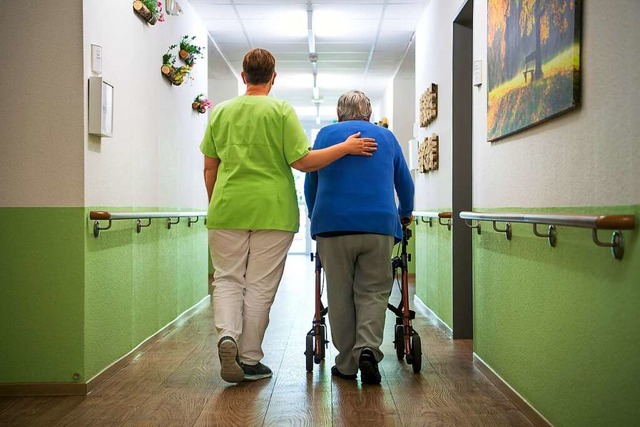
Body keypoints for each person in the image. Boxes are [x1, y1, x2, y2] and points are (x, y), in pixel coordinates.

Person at [200, 49, 377, 384]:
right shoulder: (280, 110)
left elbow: (210, 167)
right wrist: (345, 148)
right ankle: (249, 358)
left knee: (226, 278)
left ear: (243, 76)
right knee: (259, 286)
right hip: (273, 210)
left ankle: (227, 337)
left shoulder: (221, 112)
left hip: (226, 209)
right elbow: (303, 161)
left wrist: (217, 204)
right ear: (273, 76)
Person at [304, 90, 414, 385]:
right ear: (369, 115)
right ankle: (367, 348)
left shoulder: (326, 135)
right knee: (374, 292)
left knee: (339, 294)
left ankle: (346, 365)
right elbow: (404, 182)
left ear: (339, 115)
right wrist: (406, 212)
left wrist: (316, 215)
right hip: (378, 225)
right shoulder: (386, 137)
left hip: (333, 226)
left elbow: (311, 181)